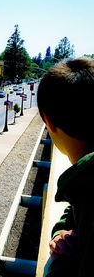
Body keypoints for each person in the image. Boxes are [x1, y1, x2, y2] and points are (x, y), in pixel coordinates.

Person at [37, 57, 94, 277]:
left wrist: (57, 263)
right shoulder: (85, 183)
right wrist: (62, 233)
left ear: (49, 122)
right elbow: (76, 206)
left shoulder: (86, 183)